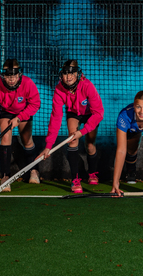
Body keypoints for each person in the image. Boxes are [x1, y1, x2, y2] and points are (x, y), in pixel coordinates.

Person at [37, 60, 104, 194]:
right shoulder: (59, 89)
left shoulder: (87, 86)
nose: (68, 77)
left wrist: (83, 131)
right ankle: (75, 179)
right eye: (66, 74)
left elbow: (99, 113)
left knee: (90, 145)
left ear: (77, 74)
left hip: (91, 114)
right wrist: (48, 146)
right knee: (72, 139)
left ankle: (92, 172)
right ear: (61, 75)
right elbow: (55, 118)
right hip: (73, 113)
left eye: (72, 73)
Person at [0, 59, 41, 192]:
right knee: (5, 136)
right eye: (8, 76)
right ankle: (5, 177)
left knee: (27, 140)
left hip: (24, 111)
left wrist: (19, 118)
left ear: (19, 74)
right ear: (3, 76)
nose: (11, 79)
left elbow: (35, 103)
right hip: (6, 112)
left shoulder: (27, 83)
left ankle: (34, 171)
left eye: (14, 76)